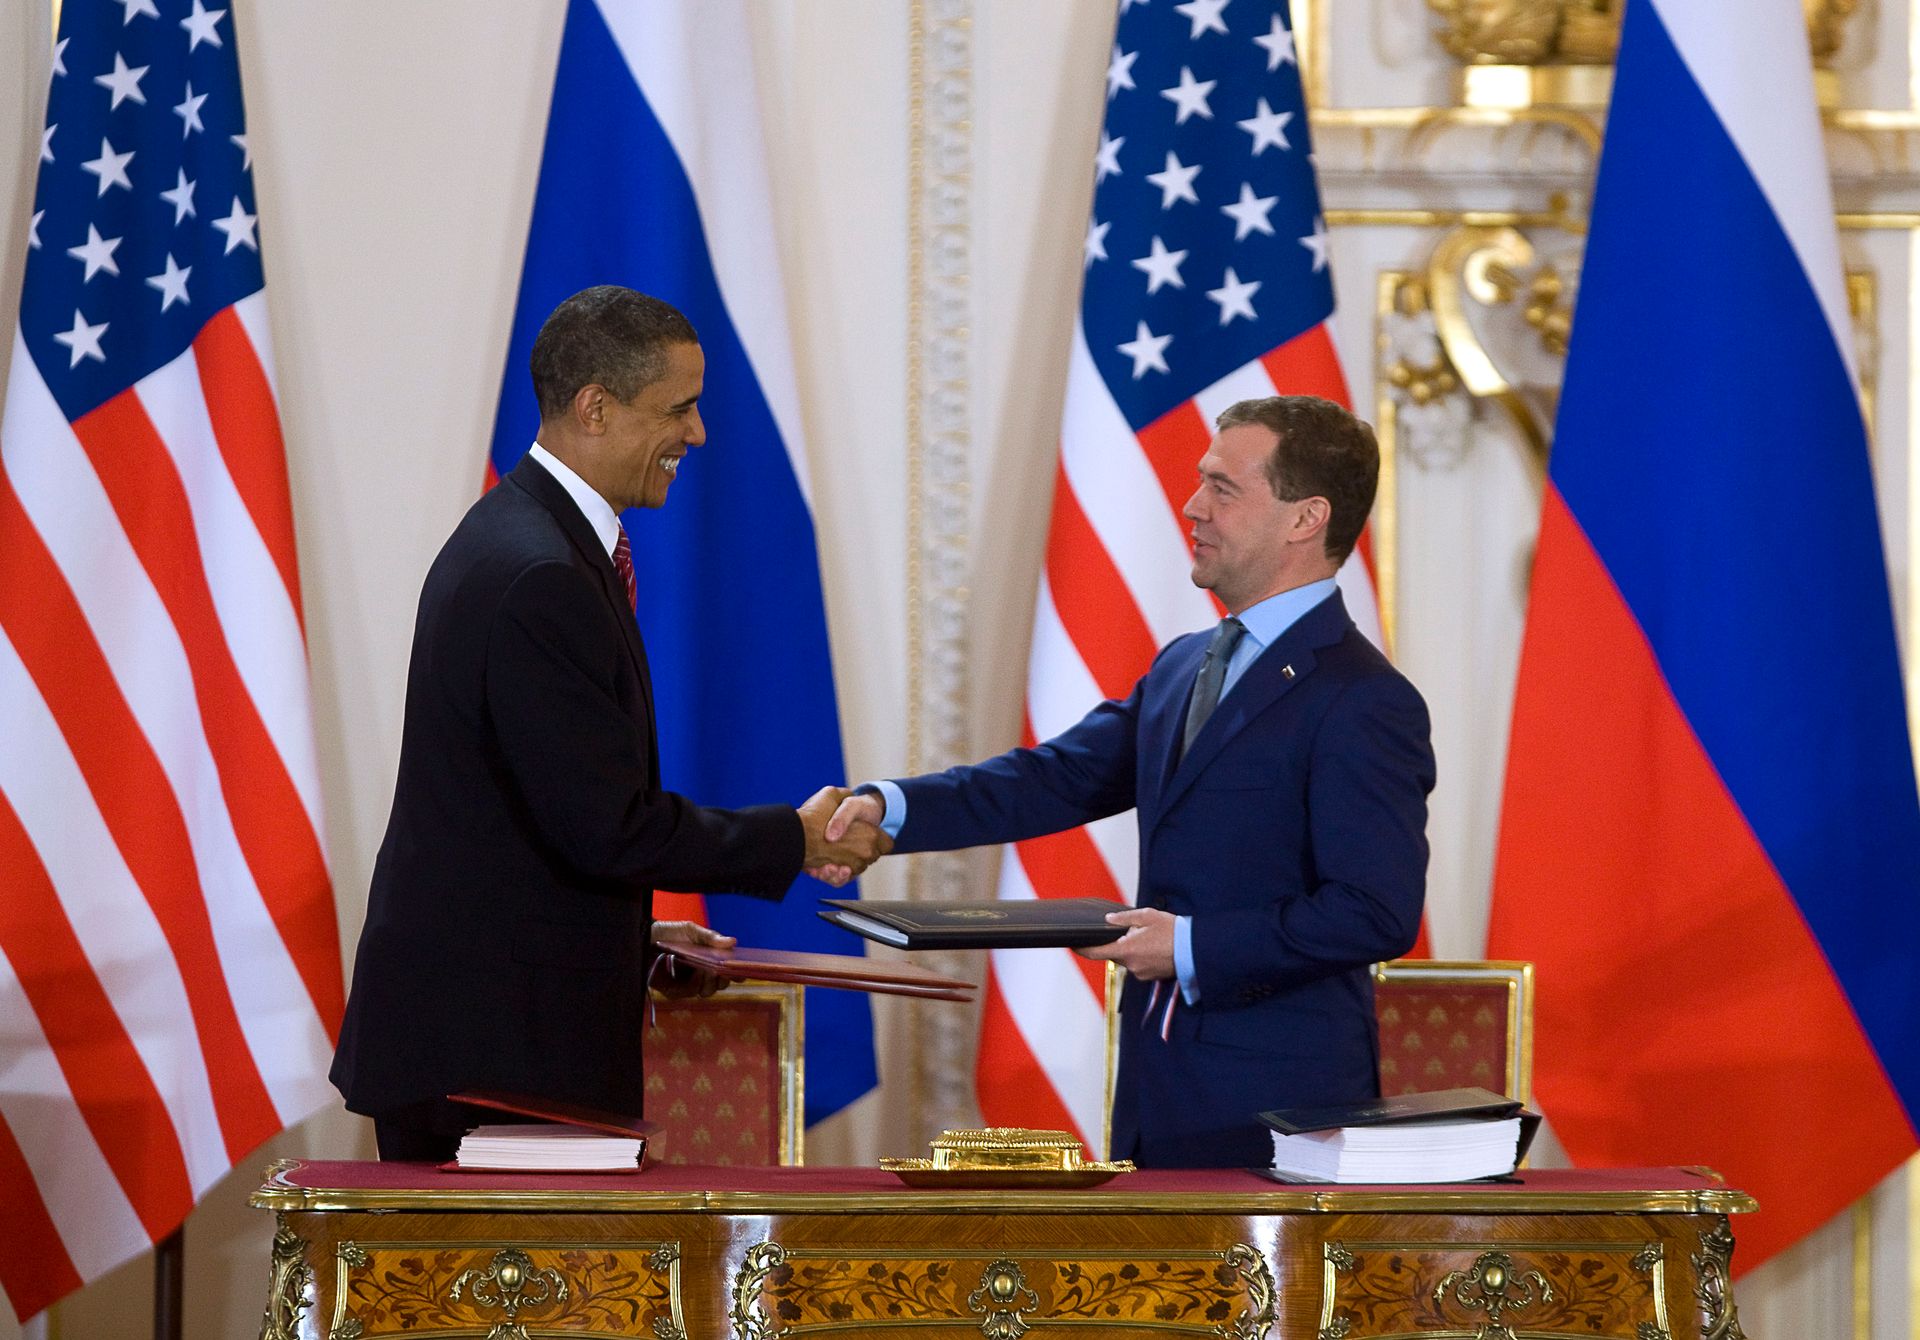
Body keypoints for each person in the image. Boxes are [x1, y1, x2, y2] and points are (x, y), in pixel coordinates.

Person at [331, 286, 887, 1161]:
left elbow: (527, 823)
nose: (698, 436)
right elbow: (606, 825)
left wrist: (636, 937)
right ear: (596, 407)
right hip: (493, 1062)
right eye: (680, 409)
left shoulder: (529, 540)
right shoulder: (538, 572)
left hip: (496, 1039)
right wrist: (795, 837)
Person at [826, 396, 1434, 1167]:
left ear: (1305, 518)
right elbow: (1054, 779)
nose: (1192, 505)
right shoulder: (1185, 662)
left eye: (1223, 488)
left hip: (1282, 1110)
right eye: (1199, 483)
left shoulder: (1361, 698)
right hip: (1156, 1085)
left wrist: (1190, 946)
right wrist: (888, 808)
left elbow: (1374, 912)